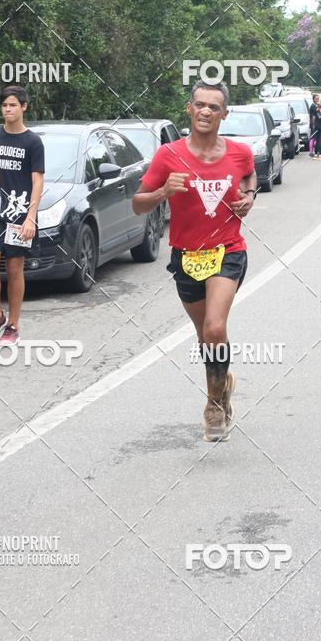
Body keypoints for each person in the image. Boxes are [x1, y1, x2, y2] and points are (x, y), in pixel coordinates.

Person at [132, 80, 256, 442]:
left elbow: (248, 178)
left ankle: (214, 407)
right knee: (205, 336)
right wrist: (163, 191)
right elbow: (138, 203)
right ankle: (222, 383)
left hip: (228, 251)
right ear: (189, 109)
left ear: (224, 114)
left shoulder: (239, 152)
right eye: (199, 105)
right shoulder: (168, 155)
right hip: (186, 257)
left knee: (216, 328)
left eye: (213, 107)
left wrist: (249, 197)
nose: (205, 111)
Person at [0, 85, 45, 346]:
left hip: (20, 215)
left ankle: (13, 325)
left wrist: (31, 217)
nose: (8, 109)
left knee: (16, 268)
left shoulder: (32, 142)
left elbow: (37, 181)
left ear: (24, 107)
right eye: (5, 105)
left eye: (13, 105)